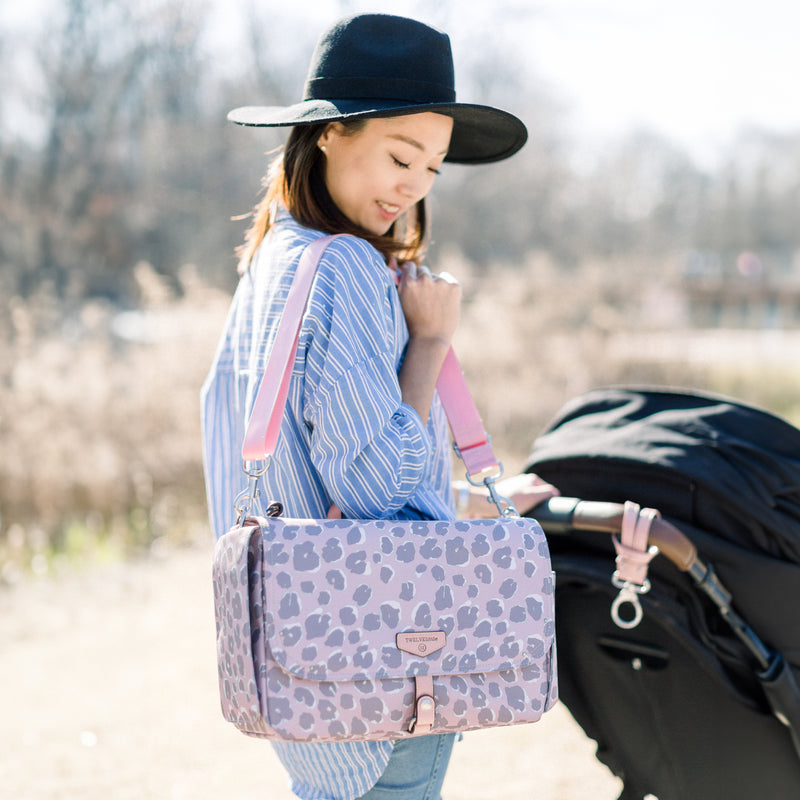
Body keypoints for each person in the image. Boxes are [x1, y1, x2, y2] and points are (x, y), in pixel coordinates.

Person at [201, 13, 557, 800]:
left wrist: (449, 492)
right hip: (389, 667)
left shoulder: (270, 263)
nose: (416, 185)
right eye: (400, 156)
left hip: (302, 667)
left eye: (433, 167)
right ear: (327, 134)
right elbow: (374, 486)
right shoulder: (348, 269)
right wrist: (429, 344)